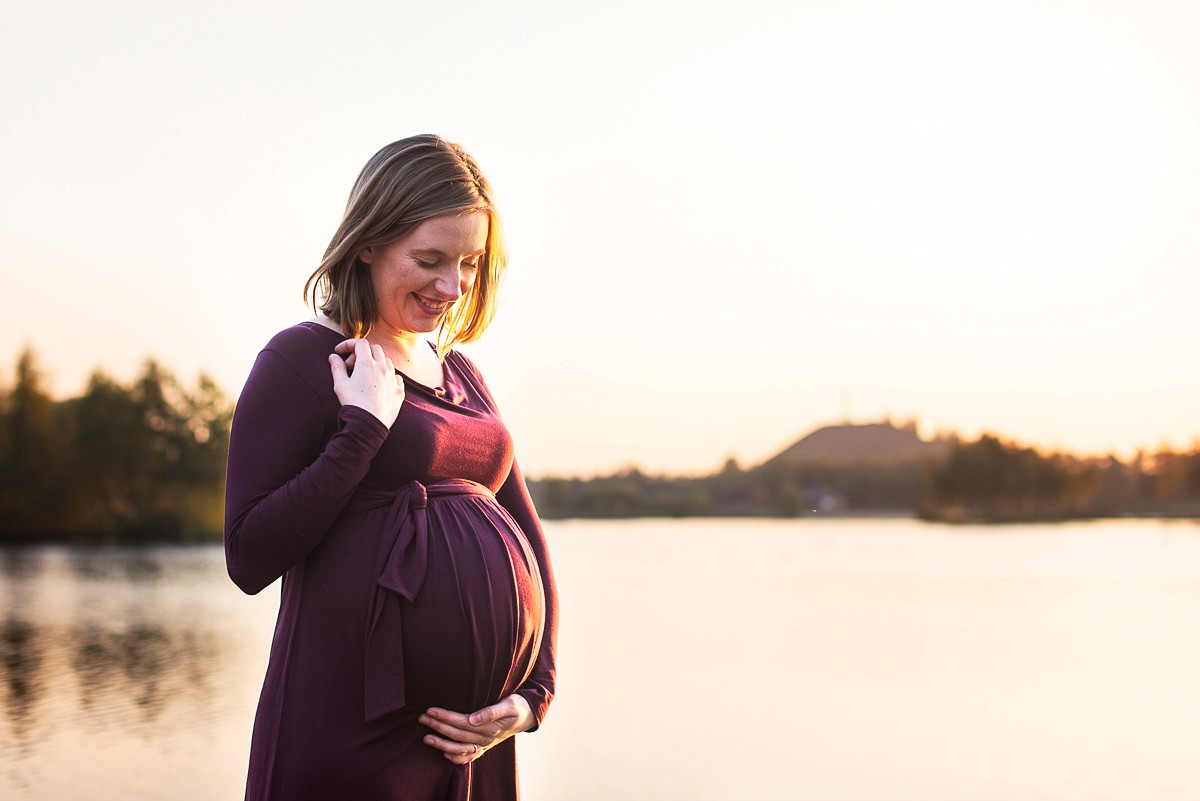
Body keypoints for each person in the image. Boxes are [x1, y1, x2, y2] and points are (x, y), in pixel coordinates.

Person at [224, 135, 557, 801]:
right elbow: (249, 555)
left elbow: (529, 542)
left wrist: (530, 698)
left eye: (468, 262)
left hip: (472, 744)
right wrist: (363, 431)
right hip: (352, 738)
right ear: (369, 241)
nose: (451, 286)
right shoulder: (305, 361)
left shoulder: (465, 376)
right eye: (429, 259)